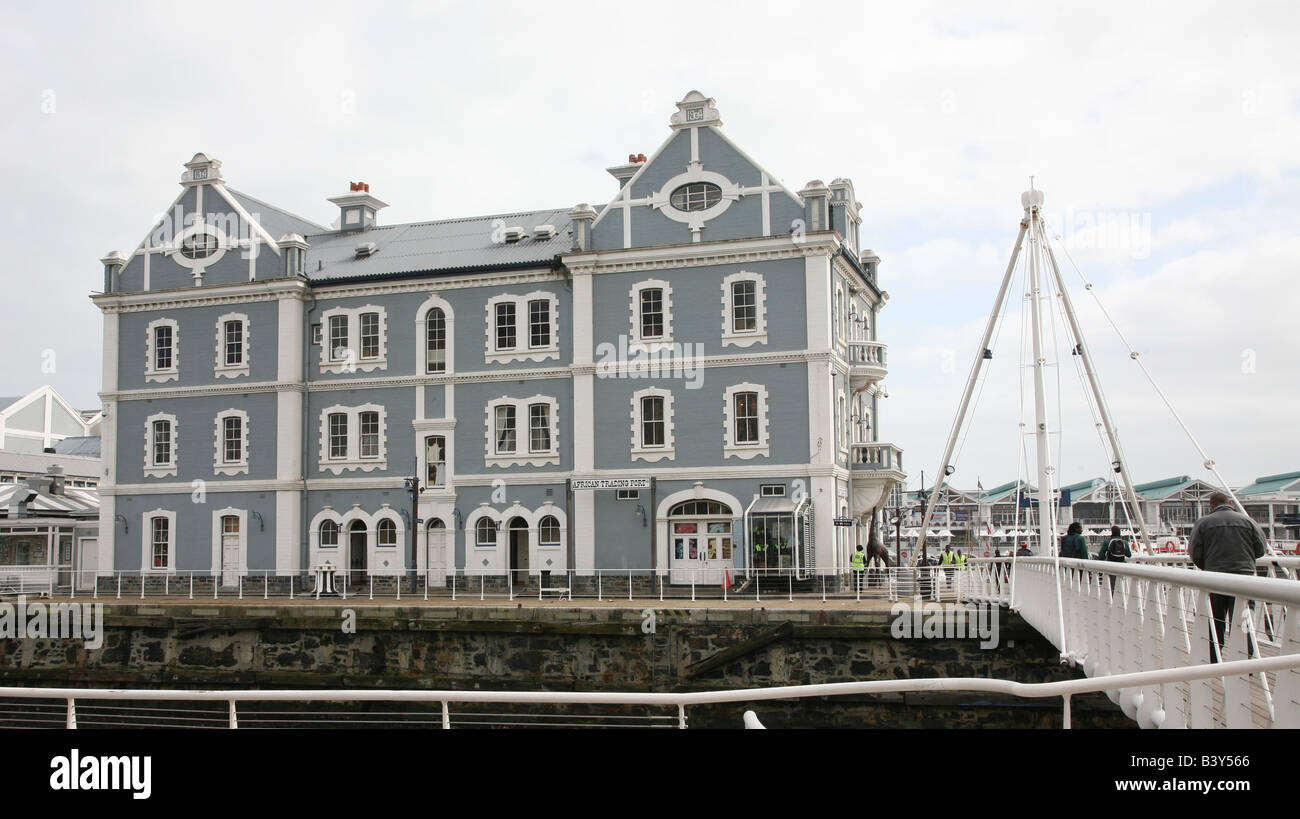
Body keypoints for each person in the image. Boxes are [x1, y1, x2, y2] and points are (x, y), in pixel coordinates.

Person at [1190, 491, 1267, 663]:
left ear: (1211, 505)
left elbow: (1195, 553)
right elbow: (1261, 549)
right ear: (1230, 503)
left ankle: (1215, 659)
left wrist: (1208, 567)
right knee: (1244, 621)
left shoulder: (1203, 523)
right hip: (1244, 580)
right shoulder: (1248, 521)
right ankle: (1245, 659)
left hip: (1216, 579)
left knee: (1216, 621)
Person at [1099, 525, 1131, 594]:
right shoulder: (1124, 542)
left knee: (1112, 584)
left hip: (1110, 565)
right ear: (1120, 532)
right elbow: (1129, 555)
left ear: (1112, 532)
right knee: (1121, 584)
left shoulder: (1107, 542)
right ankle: (1121, 596)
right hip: (1122, 565)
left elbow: (1101, 556)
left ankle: (1113, 597)